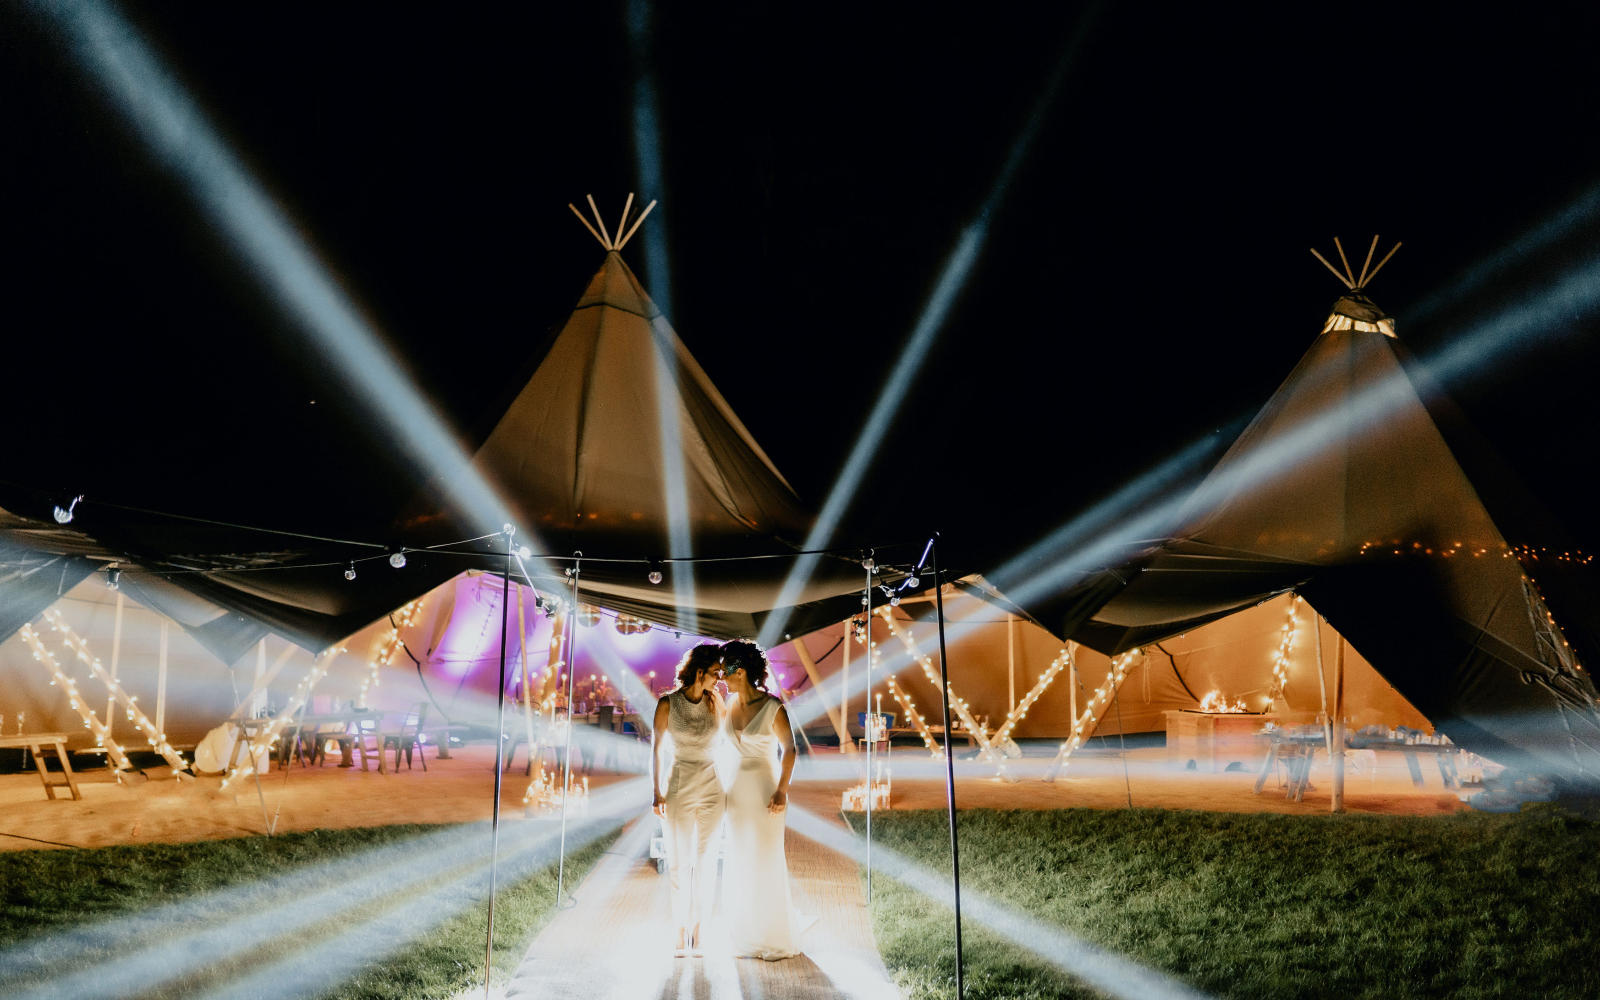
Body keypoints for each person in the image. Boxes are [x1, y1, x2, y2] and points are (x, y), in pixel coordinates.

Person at [718, 638, 803, 960]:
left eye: (725, 670)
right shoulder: (728, 703)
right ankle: (743, 932)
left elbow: (790, 749)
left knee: (765, 857)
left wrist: (782, 789)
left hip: (767, 788)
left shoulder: (772, 707)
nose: (721, 676)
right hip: (736, 788)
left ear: (739, 671)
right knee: (739, 857)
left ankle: (771, 934)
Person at [652, 644, 725, 957]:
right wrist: (656, 792)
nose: (719, 678)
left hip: (712, 787)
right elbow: (656, 749)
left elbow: (727, 742)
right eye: (715, 673)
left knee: (707, 863)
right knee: (681, 864)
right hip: (679, 785)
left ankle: (700, 928)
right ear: (700, 672)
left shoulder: (715, 701)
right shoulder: (667, 704)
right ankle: (679, 929)